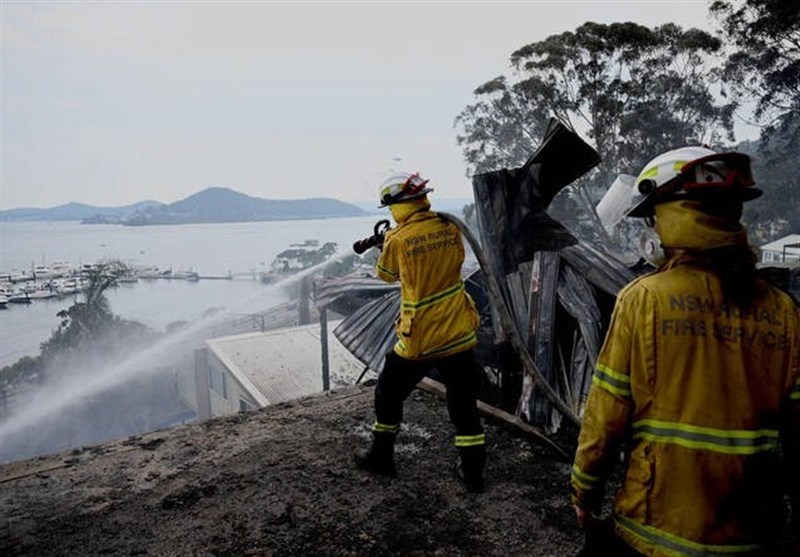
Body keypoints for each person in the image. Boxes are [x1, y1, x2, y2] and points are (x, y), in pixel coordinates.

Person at [570, 146, 800, 556]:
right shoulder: (782, 311)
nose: (653, 229)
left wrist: (585, 491)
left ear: (676, 215)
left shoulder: (642, 300)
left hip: (654, 529)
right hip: (751, 534)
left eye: (655, 215)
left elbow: (606, 417)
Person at [354, 171, 487, 493]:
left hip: (423, 336)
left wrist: (385, 245)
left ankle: (381, 456)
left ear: (396, 205)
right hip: (458, 328)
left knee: (387, 392)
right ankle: (473, 474)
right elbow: (451, 261)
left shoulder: (398, 239)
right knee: (464, 401)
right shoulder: (449, 225)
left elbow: (387, 276)